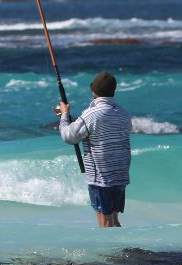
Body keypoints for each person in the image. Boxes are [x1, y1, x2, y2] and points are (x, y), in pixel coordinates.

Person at [54, 72, 132, 227]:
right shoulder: (123, 113)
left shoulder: (91, 114)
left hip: (101, 177)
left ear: (94, 92)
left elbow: (69, 136)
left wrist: (64, 115)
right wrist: (73, 120)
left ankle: (110, 252)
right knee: (114, 220)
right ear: (113, 91)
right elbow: (102, 129)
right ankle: (120, 249)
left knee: (104, 221)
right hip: (120, 174)